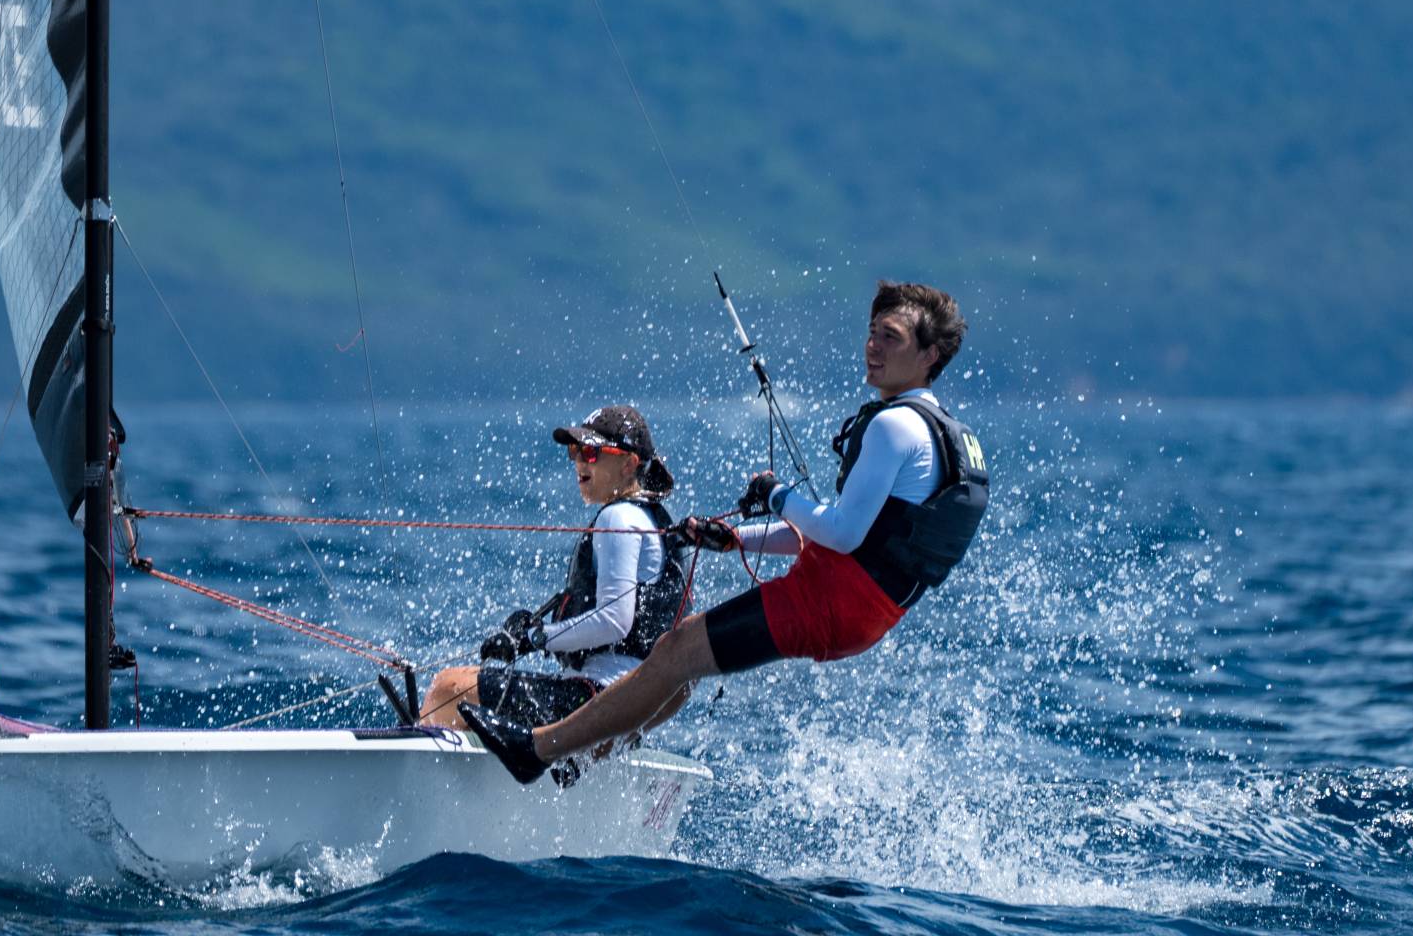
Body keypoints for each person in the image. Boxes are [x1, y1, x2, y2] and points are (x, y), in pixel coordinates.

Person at [461, 281, 989, 783]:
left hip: (831, 601)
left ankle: (539, 750)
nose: (873, 346)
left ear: (930, 355)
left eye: (890, 337)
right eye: (872, 332)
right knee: (682, 661)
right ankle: (589, 750)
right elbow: (835, 535)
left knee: (675, 652)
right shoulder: (943, 432)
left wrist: (775, 494)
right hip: (865, 610)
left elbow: (843, 534)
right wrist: (736, 538)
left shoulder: (894, 425)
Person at [418, 405, 689, 734]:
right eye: (575, 451)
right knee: (468, 704)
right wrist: (536, 633)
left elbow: (614, 621)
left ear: (629, 464)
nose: (579, 462)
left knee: (447, 689)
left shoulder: (618, 517)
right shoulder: (652, 518)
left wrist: (536, 637)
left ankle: (414, 756)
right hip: (628, 705)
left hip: (598, 698)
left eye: (591, 453)